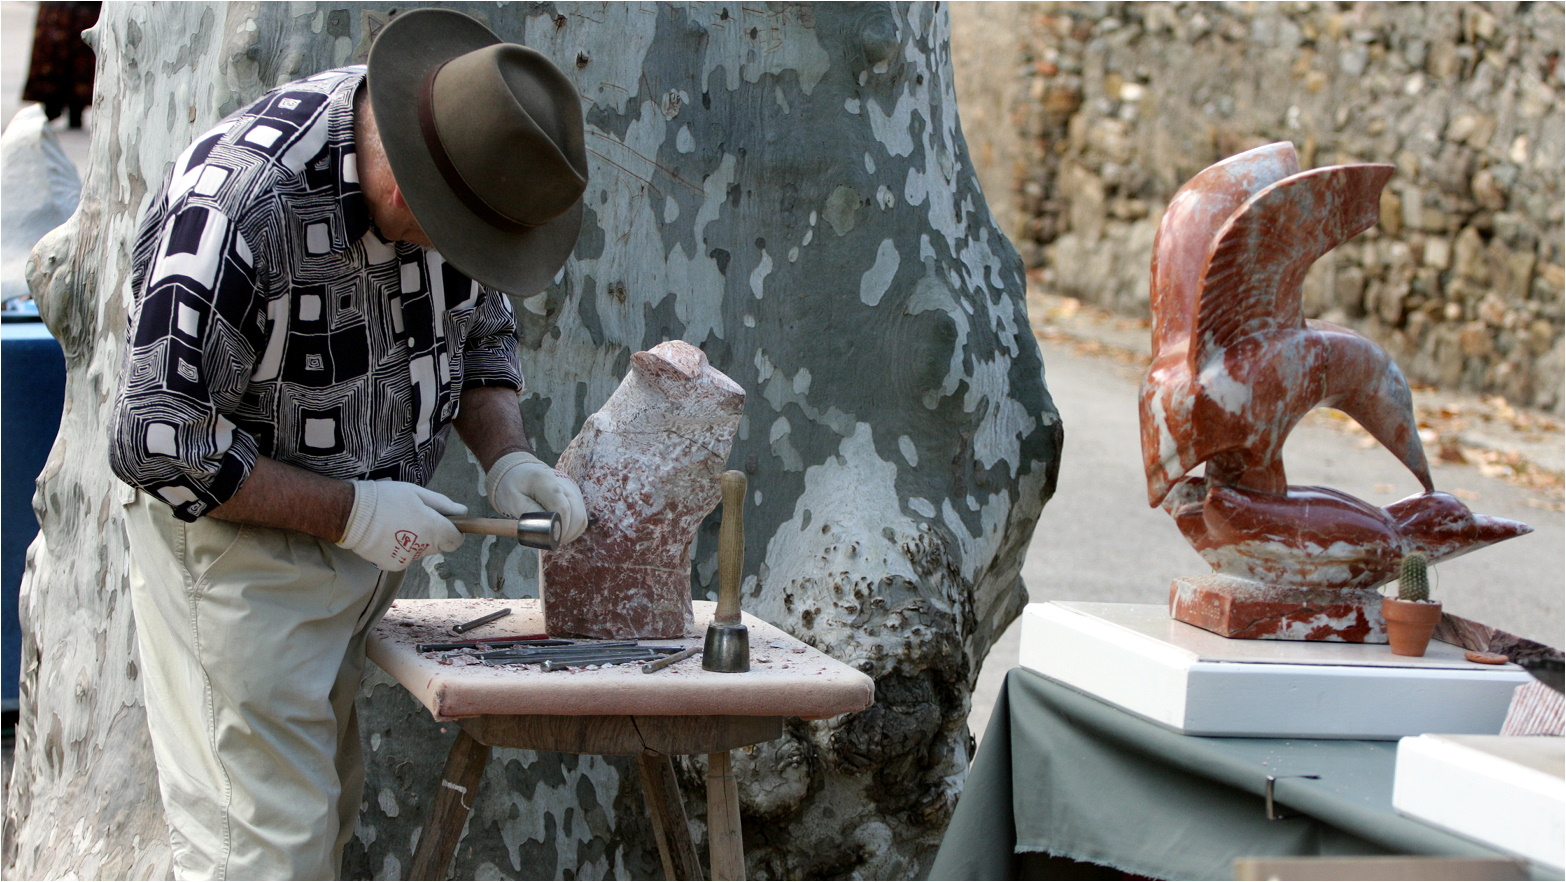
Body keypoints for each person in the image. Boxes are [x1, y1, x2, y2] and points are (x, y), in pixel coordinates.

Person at [107, 9, 588, 879]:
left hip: (356, 552)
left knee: (320, 827)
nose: (469, 258)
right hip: (239, 560)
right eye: (464, 239)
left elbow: (480, 337)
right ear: (411, 193)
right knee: (262, 856)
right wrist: (350, 510)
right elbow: (155, 439)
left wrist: (509, 457)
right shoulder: (241, 202)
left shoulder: (463, 160)